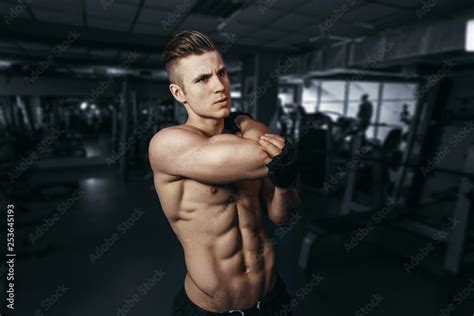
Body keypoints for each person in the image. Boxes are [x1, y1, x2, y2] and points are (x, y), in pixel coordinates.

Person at [148, 30, 300, 315]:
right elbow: (275, 157)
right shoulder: (167, 144)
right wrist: (249, 121)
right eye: (202, 79)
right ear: (179, 92)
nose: (220, 86)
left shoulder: (242, 142)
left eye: (222, 73)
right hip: (212, 310)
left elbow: (282, 215)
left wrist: (283, 185)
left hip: (271, 297)